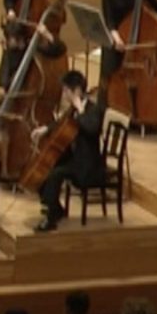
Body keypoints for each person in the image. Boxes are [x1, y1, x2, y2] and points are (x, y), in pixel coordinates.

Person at [34, 71, 106, 233]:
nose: (64, 94)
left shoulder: (94, 109)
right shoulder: (73, 109)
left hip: (88, 165)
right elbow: (61, 123)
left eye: (67, 90)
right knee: (45, 168)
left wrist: (80, 110)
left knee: (56, 174)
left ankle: (51, 218)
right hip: (75, 158)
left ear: (77, 91)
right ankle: (54, 207)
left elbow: (92, 129)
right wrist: (46, 129)